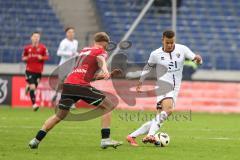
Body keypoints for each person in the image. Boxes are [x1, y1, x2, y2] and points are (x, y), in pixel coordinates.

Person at [29, 32, 122, 149]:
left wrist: (106, 75)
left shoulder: (84, 50)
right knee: (109, 106)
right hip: (80, 86)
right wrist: (105, 70)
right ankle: (105, 139)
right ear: (105, 43)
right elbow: (101, 59)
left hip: (68, 84)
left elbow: (87, 76)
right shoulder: (101, 51)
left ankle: (35, 140)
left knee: (60, 115)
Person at [126, 30, 202, 146]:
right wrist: (141, 81)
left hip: (175, 88)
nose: (170, 45)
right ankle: (150, 135)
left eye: (172, 42)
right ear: (163, 40)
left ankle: (132, 136)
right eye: (167, 42)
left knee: (159, 120)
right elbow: (148, 67)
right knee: (169, 110)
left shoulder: (182, 49)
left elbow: (195, 59)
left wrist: (198, 59)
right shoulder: (155, 54)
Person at [22, 32, 49, 111]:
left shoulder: (43, 48)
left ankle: (28, 87)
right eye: (34, 36)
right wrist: (26, 58)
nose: (36, 38)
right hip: (29, 70)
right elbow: (23, 57)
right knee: (33, 87)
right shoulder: (27, 48)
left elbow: (47, 57)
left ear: (39, 38)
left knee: (33, 88)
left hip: (39, 72)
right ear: (31, 38)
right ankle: (34, 104)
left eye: (38, 37)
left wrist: (42, 57)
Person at [52, 27, 78, 103]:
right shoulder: (64, 42)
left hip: (72, 66)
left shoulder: (75, 42)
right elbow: (59, 52)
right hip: (63, 65)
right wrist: (69, 54)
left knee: (71, 83)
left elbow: (74, 52)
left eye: (72, 32)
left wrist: (77, 54)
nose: (71, 34)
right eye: (69, 32)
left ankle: (70, 101)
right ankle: (56, 94)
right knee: (61, 82)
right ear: (66, 34)